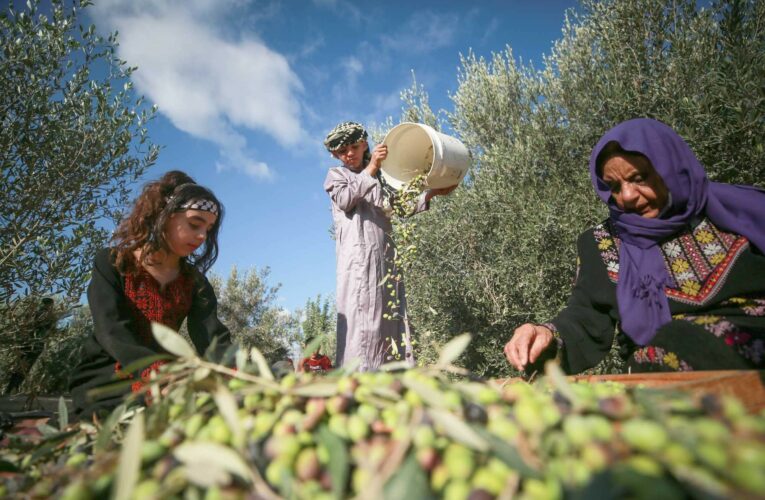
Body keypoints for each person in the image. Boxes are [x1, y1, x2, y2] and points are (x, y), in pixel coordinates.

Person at [504, 118, 765, 374]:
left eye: (639, 178)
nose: (627, 196)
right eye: (614, 186)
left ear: (670, 168)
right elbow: (586, 317)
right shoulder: (602, 243)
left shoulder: (745, 211)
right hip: (660, 381)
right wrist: (545, 333)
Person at [69, 171, 232, 418]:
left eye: (208, 229)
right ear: (163, 216)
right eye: (194, 224)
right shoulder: (113, 263)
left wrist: (241, 376)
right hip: (107, 381)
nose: (202, 236)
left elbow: (213, 341)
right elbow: (111, 329)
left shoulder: (196, 283)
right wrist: (157, 373)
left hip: (167, 384)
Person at [323, 122, 456, 371]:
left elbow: (397, 207)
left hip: (386, 262)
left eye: (354, 146)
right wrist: (371, 168)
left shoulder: (381, 179)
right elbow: (345, 200)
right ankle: (360, 382)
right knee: (362, 320)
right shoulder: (337, 176)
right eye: (342, 151)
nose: (349, 154)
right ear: (334, 155)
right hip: (357, 263)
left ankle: (395, 379)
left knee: (390, 319)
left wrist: (431, 194)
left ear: (365, 144)